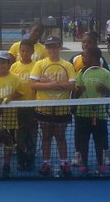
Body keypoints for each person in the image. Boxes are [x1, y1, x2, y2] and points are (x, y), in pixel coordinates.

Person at [29, 36, 76, 177]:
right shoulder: (39, 64)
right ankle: (46, 163)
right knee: (46, 137)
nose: (51, 49)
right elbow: (32, 84)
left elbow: (72, 85)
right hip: (43, 108)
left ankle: (64, 163)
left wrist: (52, 82)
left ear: (59, 47)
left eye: (54, 46)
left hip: (62, 108)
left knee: (61, 137)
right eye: (49, 47)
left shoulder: (67, 65)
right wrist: (51, 85)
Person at [70, 31, 110, 167]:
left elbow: (107, 81)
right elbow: (71, 79)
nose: (85, 44)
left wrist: (104, 91)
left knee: (101, 131)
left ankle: (106, 152)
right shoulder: (75, 59)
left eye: (89, 42)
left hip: (99, 104)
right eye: (83, 42)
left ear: (94, 44)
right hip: (80, 104)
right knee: (79, 130)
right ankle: (78, 154)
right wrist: (76, 93)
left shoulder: (101, 61)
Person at [0, 51, 23, 179]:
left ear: (8, 64)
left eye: (4, 62)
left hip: (10, 118)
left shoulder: (15, 78)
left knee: (9, 144)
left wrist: (10, 96)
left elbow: (20, 92)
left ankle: (6, 166)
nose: (1, 65)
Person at [10, 39, 38, 171]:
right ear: (19, 51)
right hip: (18, 108)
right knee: (20, 135)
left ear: (33, 52)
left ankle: (30, 160)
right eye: (22, 51)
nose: (25, 53)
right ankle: (21, 160)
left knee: (32, 135)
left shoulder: (37, 66)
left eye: (27, 51)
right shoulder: (14, 67)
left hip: (33, 107)